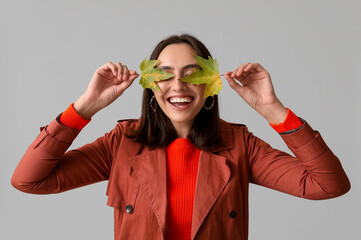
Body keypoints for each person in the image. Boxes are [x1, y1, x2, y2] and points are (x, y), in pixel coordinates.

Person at [11, 34, 350, 240]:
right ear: (149, 85)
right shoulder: (122, 142)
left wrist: (273, 109)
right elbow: (29, 180)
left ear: (210, 84)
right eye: (165, 75)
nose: (178, 86)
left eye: (192, 74)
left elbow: (329, 185)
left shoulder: (239, 145)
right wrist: (84, 107)